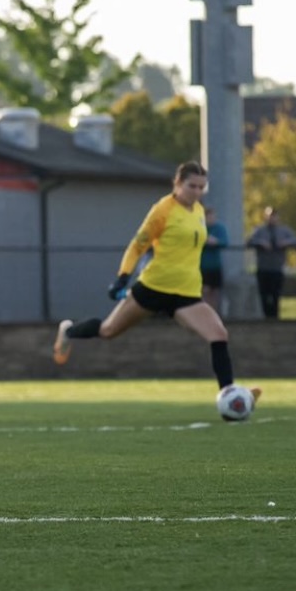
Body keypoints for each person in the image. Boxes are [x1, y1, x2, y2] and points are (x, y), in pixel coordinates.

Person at [52, 161, 260, 407]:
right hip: (153, 288)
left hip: (186, 293)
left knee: (218, 334)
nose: (196, 192)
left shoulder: (199, 212)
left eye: (201, 187)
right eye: (191, 186)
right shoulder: (163, 209)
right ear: (178, 183)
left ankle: (231, 397)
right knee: (108, 331)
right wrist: (122, 276)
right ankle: (68, 331)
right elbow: (138, 245)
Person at [246, 206, 296, 319]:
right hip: (263, 268)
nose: (272, 218)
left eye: (274, 216)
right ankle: (266, 317)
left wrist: (285, 242)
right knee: (264, 295)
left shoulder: (284, 231)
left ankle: (275, 318)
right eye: (270, 216)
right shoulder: (259, 231)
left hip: (277, 268)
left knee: (275, 294)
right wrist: (261, 243)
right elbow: (249, 242)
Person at [200, 207, 228, 314]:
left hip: (216, 265)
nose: (210, 219)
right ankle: (205, 313)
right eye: (208, 217)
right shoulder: (200, 228)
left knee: (215, 292)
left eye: (212, 216)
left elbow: (224, 242)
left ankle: (214, 313)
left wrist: (215, 242)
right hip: (203, 265)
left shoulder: (220, 228)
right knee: (205, 290)